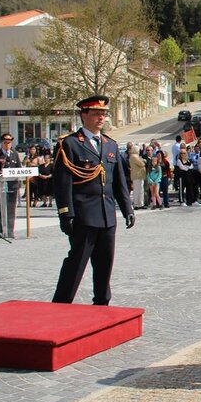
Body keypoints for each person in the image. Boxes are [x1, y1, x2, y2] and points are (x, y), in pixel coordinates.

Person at [51, 96, 134, 306]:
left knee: (105, 264)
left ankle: (102, 304)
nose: (101, 118)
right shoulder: (69, 144)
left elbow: (119, 183)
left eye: (103, 114)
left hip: (107, 215)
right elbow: (63, 182)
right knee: (76, 263)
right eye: (96, 113)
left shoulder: (110, 145)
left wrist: (127, 209)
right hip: (83, 215)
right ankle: (61, 304)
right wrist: (65, 213)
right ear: (84, 115)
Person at [0, 133, 22, 238]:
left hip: (13, 185)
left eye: (9, 143)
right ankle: (3, 230)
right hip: (2, 185)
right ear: (2, 143)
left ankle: (11, 230)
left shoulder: (14, 154)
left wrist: (19, 181)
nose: (7, 145)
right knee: (2, 208)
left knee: (11, 209)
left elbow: (19, 168)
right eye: (5, 143)